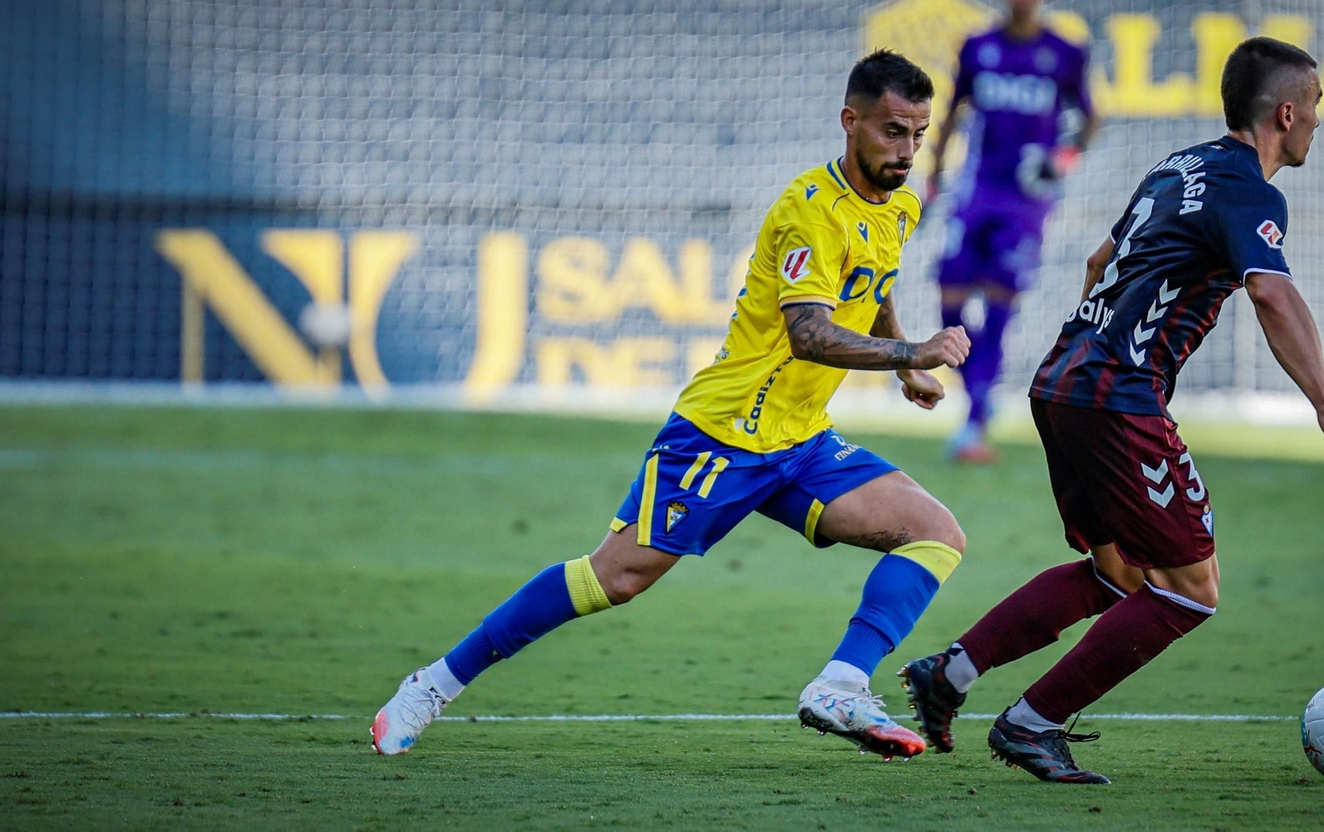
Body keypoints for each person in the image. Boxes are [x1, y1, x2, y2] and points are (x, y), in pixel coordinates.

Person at [372, 50, 973, 762]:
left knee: (935, 532)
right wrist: (914, 354)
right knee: (613, 578)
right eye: (892, 131)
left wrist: (902, 358)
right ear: (851, 122)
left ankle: (839, 684)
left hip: (801, 440)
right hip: (723, 434)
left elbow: (869, 284)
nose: (906, 150)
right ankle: (433, 685)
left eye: (918, 134)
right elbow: (808, 333)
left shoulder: (900, 205)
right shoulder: (810, 210)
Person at [900, 37, 1324, 783]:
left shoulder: (1177, 166)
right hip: (1117, 394)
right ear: (1286, 111)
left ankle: (951, 673)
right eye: (1314, 105)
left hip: (1065, 375)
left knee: (1120, 572)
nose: (1318, 119)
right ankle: (1031, 723)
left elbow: (1096, 263)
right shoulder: (1251, 189)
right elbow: (1272, 292)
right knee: (1191, 589)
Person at [925, 0, 1100, 463]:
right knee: (950, 298)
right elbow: (953, 114)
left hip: (1025, 202)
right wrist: (935, 178)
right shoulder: (978, 48)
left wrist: (1060, 161)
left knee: (999, 305)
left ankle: (976, 414)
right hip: (974, 190)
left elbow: (1088, 120)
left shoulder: (1065, 52)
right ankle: (980, 394)